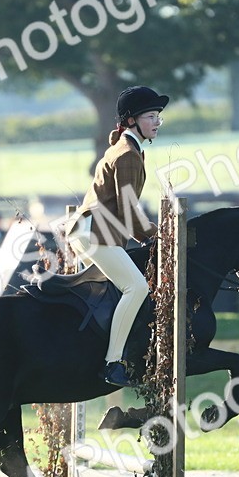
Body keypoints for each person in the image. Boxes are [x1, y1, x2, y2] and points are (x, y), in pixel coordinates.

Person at [65, 85, 165, 387]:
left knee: (114, 292)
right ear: (132, 120)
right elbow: (131, 212)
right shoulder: (128, 155)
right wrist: (161, 235)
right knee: (136, 288)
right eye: (151, 116)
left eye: (159, 116)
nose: (157, 122)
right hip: (96, 233)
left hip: (88, 230)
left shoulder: (125, 148)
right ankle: (112, 363)